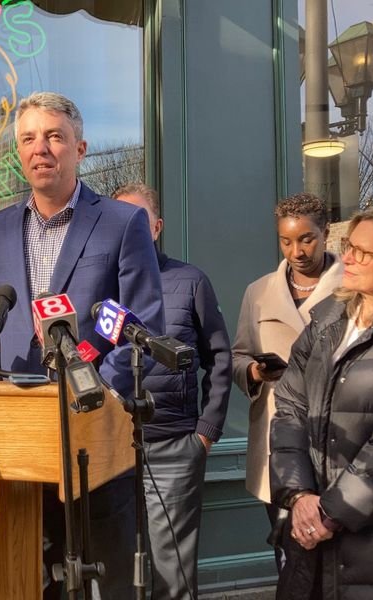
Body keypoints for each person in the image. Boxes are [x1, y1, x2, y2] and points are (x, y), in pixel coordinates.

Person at [0, 92, 164, 599]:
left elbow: (141, 319)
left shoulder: (122, 222)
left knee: (111, 579)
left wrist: (99, 399)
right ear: (19, 152)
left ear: (80, 148)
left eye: (54, 136)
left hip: (94, 436)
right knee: (31, 575)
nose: (41, 148)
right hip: (17, 441)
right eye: (29, 139)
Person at [270, 204, 373, 599]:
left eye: (364, 252)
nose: (347, 257)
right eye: (349, 246)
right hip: (308, 534)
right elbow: (290, 406)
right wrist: (299, 495)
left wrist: (331, 513)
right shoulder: (328, 318)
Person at [114, 183, 232, 599]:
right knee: (115, 566)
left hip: (173, 447)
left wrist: (205, 432)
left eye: (138, 220)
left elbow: (220, 357)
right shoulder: (100, 288)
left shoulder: (190, 281)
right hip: (110, 451)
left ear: (157, 227)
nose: (128, 229)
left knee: (172, 573)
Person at [232, 193, 343, 569]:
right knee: (290, 556)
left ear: (325, 232)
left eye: (306, 239)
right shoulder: (258, 292)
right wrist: (255, 372)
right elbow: (238, 356)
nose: (296, 251)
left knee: (340, 559)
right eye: (286, 241)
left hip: (338, 436)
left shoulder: (354, 287)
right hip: (278, 438)